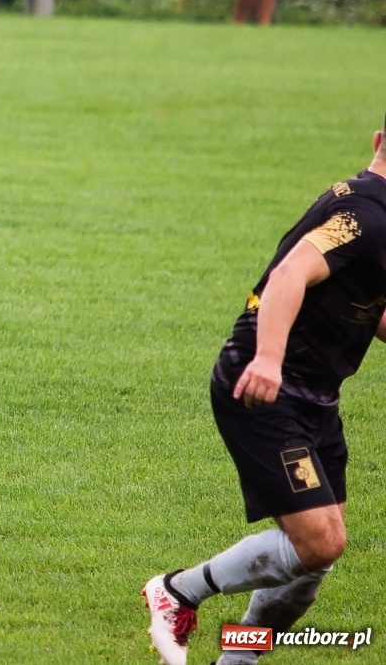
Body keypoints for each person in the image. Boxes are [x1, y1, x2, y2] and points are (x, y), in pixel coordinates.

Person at [142, 122, 386, 665]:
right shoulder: (367, 218)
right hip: (263, 386)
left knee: (316, 555)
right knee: (320, 542)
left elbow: (370, 306)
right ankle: (178, 590)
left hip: (315, 395)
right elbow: (290, 273)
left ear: (376, 141)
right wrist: (269, 359)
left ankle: (237, 658)